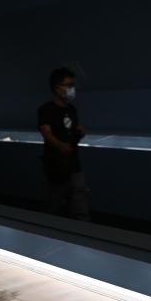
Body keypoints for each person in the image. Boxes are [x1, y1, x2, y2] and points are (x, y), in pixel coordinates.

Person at [37, 67, 91, 220]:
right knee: (53, 201)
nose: (72, 89)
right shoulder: (46, 110)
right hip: (55, 165)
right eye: (69, 85)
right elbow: (46, 132)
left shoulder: (72, 109)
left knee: (80, 196)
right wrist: (60, 145)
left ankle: (81, 226)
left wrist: (79, 133)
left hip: (74, 163)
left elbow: (71, 134)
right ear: (57, 88)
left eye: (73, 85)